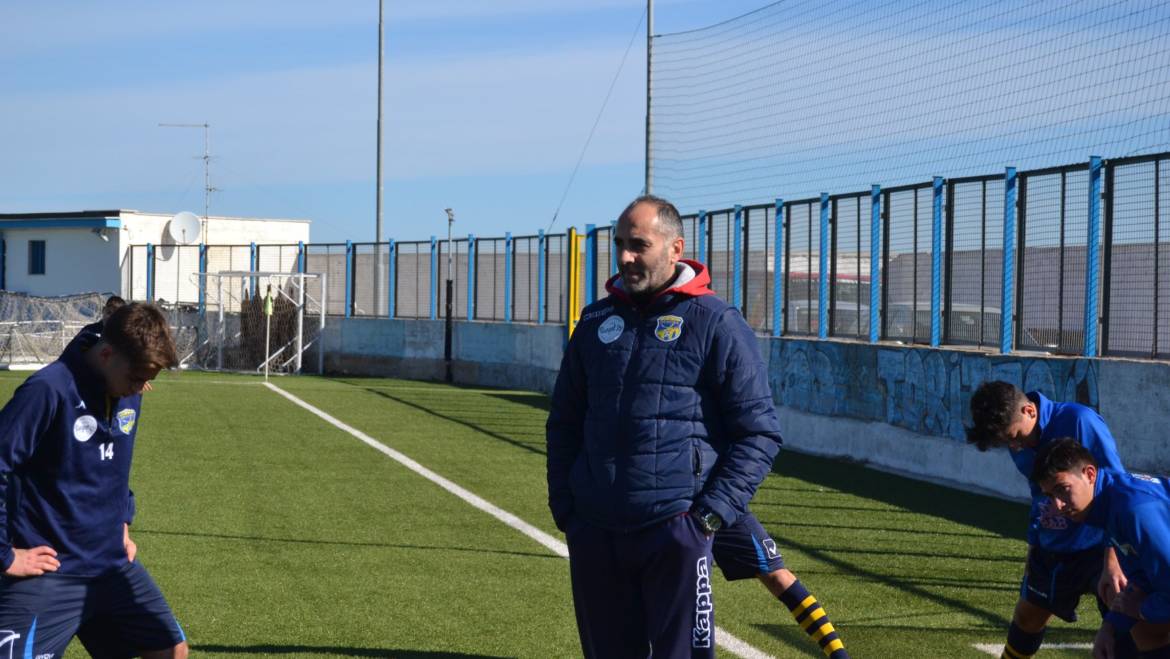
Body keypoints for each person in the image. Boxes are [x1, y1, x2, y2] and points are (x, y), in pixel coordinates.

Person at [547, 195, 783, 658]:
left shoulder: (715, 322)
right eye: (620, 244)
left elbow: (759, 433)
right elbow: (564, 423)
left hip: (675, 529)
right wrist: (567, 506)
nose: (625, 257)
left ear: (675, 248)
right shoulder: (595, 322)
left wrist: (708, 517)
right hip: (595, 529)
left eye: (639, 245)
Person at [0, 302, 188, 658]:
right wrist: (5, 556)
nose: (142, 388)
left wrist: (123, 519)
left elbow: (114, 464)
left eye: (148, 379)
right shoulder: (47, 390)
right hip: (53, 570)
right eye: (137, 377)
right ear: (105, 354)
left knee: (171, 650)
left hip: (111, 565)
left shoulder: (130, 391)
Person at [968, 381, 1135, 659]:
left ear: (1029, 410)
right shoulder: (1016, 438)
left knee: (1127, 628)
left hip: (1098, 546)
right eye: (1007, 442)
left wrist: (1113, 559)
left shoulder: (1080, 421)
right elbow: (1039, 497)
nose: (1014, 445)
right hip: (1053, 547)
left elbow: (1117, 487)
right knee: (1027, 618)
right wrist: (1033, 547)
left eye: (1016, 437)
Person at [1031, 438, 1170, 658]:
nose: (1057, 505)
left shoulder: (1133, 510)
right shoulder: (1112, 501)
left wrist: (1142, 609)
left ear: (1089, 474)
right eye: (1050, 496)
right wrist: (1111, 625)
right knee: (1143, 632)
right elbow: (1146, 575)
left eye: (1062, 489)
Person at [712, 514, 849, 657]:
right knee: (689, 583)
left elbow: (745, 489)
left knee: (778, 577)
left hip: (722, 508)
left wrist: (719, 504)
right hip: (687, 509)